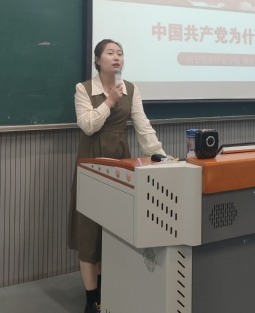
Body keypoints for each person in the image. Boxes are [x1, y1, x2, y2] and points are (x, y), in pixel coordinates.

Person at [67, 39, 167, 313]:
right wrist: (110, 100)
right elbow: (88, 126)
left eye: (120, 53)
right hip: (92, 160)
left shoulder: (131, 89)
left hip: (120, 159)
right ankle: (91, 299)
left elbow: (143, 126)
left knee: (114, 227)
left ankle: (108, 292)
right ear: (97, 60)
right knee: (90, 230)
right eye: (110, 53)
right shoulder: (84, 89)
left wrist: (160, 155)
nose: (116, 57)